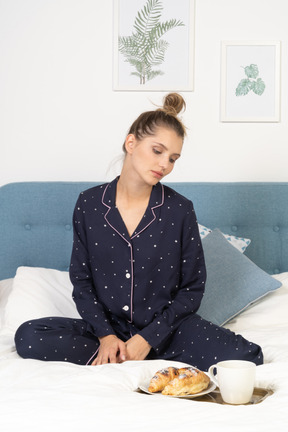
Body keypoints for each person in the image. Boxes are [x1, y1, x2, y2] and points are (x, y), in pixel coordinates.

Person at [15, 93, 263, 370]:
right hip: (108, 332)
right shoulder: (89, 204)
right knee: (28, 337)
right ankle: (120, 355)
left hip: (168, 331)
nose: (164, 165)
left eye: (173, 158)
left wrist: (148, 338)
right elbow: (82, 282)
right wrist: (106, 335)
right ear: (131, 142)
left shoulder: (180, 209)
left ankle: (133, 359)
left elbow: (192, 289)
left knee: (247, 356)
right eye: (157, 151)